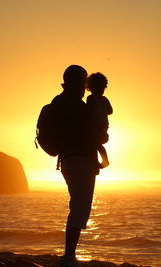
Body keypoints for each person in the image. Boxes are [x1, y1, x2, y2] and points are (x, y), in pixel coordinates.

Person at [52, 65, 100, 266]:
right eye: (83, 81)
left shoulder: (57, 101)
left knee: (76, 205)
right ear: (77, 82)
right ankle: (69, 256)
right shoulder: (78, 106)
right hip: (81, 160)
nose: (86, 86)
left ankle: (69, 254)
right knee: (80, 207)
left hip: (66, 161)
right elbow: (92, 136)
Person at [86, 72, 113, 168]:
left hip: (99, 126)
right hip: (99, 125)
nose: (101, 90)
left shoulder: (94, 99)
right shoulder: (94, 99)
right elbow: (110, 111)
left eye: (102, 88)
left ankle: (103, 161)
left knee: (96, 144)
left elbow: (110, 111)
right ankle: (102, 161)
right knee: (96, 144)